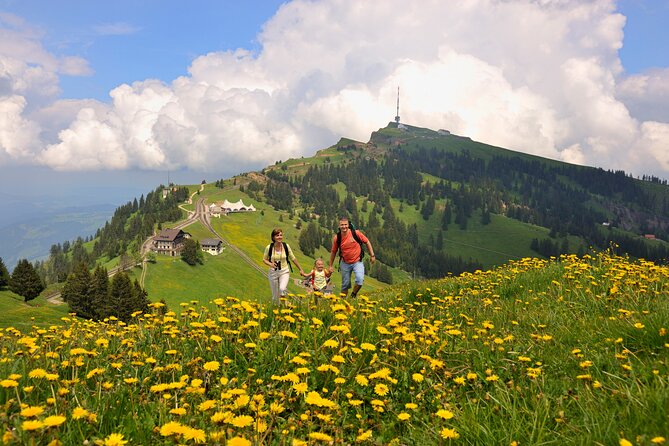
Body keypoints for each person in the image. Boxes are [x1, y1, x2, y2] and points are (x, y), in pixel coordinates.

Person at [328, 217, 375, 298]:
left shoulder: (356, 233)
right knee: (345, 285)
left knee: (360, 280)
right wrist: (330, 266)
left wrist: (372, 255)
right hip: (345, 263)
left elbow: (367, 242)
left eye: (345, 224)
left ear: (348, 225)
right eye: (342, 225)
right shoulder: (337, 238)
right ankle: (343, 301)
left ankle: (353, 295)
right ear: (339, 226)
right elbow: (333, 252)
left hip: (357, 261)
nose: (344, 227)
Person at [263, 228, 305, 305]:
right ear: (273, 237)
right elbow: (264, 259)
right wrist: (270, 264)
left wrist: (300, 269)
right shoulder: (269, 247)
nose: (279, 237)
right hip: (273, 272)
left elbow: (293, 258)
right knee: (275, 296)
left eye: (281, 235)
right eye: (277, 235)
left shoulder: (286, 246)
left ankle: (284, 304)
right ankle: (277, 310)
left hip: (284, 271)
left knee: (282, 289)